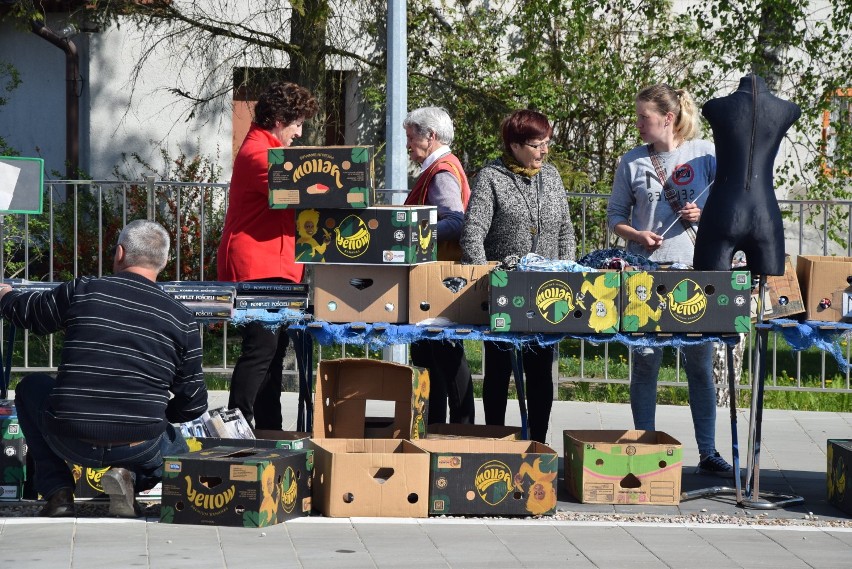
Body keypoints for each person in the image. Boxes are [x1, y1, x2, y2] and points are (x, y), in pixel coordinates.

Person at [3, 219, 208, 518]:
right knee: (177, 450)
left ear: (120, 253)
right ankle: (128, 477)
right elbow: (195, 404)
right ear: (162, 263)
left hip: (69, 436)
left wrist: (6, 297)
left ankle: (58, 492)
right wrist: (158, 416)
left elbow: (32, 314)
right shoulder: (182, 319)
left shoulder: (84, 290)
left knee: (30, 388)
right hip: (138, 443)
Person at [606, 83, 733, 477]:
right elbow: (615, 218)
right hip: (645, 274)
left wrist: (703, 216)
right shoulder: (632, 162)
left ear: (668, 117)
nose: (639, 124)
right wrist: (637, 236)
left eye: (644, 117)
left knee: (699, 363)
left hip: (694, 272)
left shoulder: (706, 155)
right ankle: (643, 445)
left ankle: (709, 452)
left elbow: (730, 209)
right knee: (645, 363)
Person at [460, 109, 576, 443]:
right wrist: (484, 284)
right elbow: (473, 234)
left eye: (547, 143)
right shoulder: (491, 177)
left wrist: (566, 272)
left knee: (541, 373)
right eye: (536, 145)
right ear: (514, 145)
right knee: (499, 372)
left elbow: (566, 231)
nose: (544, 151)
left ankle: (537, 443)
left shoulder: (551, 176)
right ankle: (496, 443)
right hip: (504, 292)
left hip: (549, 293)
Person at [217, 82, 319, 429]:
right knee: (262, 350)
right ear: (279, 119)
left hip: (274, 265)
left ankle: (269, 429)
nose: (299, 133)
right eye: (297, 124)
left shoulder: (267, 151)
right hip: (259, 265)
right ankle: (238, 425)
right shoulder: (260, 155)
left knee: (273, 354)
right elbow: (305, 193)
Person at [403, 106, 475, 425]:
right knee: (433, 357)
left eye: (411, 137)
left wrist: (408, 234)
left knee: (443, 355)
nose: (408, 145)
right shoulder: (439, 167)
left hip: (439, 279)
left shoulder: (443, 171)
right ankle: (439, 428)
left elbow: (457, 221)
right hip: (434, 277)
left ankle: (459, 429)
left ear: (430, 137)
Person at [694, 74, 802, 275]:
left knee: (712, 288)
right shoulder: (788, 109)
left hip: (723, 211)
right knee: (760, 292)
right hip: (765, 214)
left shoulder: (715, 107)